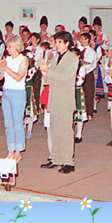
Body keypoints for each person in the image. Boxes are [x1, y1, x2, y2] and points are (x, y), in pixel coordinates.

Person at [39, 31, 78, 174]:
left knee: (65, 131)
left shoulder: (72, 59)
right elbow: (50, 80)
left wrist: (48, 71)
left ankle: (68, 161)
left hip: (65, 100)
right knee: (54, 130)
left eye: (60, 42)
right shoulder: (55, 58)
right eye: (56, 41)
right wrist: (44, 73)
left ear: (67, 43)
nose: (57, 44)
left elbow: (65, 77)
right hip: (54, 98)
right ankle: (56, 159)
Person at [0, 36, 29, 162]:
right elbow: (0, 78)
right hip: (6, 91)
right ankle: (10, 149)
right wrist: (1, 69)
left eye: (9, 46)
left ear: (16, 46)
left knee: (17, 123)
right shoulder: (7, 59)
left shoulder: (23, 60)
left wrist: (5, 68)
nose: (8, 49)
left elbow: (18, 77)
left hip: (18, 93)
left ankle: (18, 151)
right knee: (8, 123)